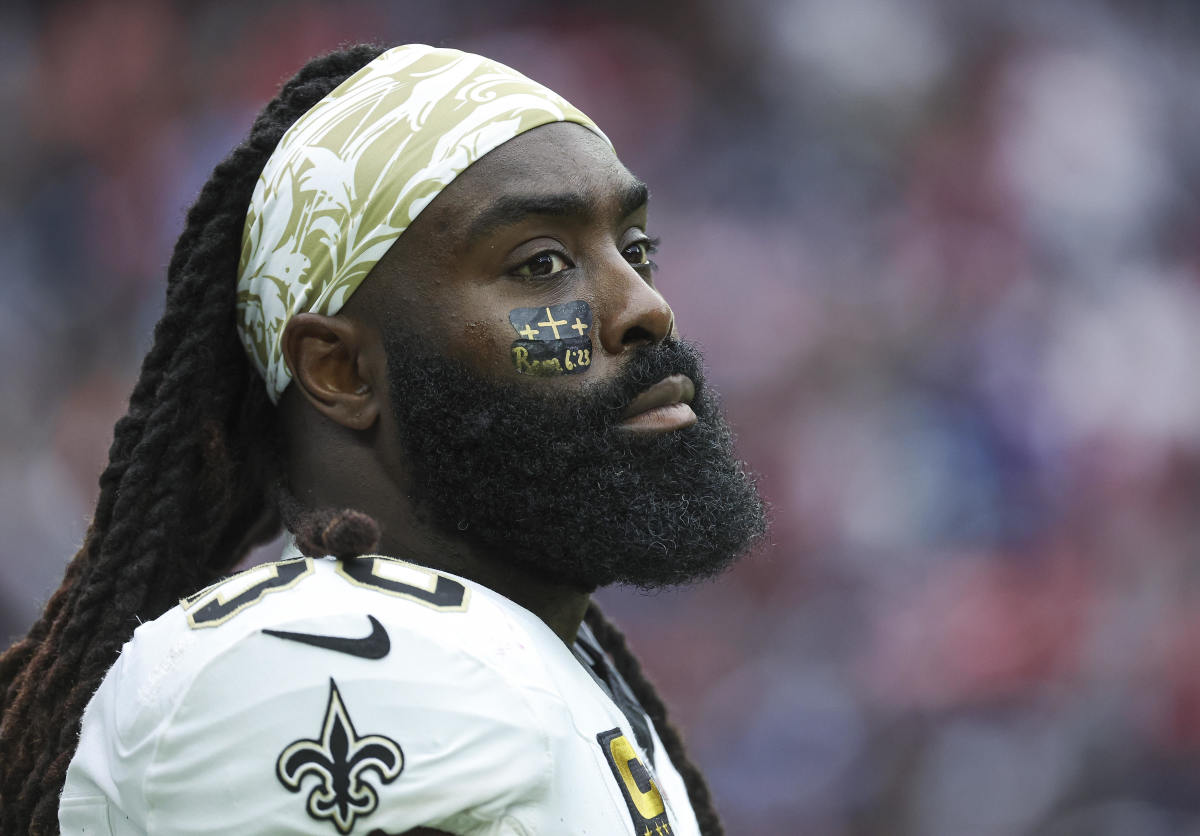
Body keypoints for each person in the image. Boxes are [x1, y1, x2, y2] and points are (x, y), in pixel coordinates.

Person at [0, 44, 766, 835]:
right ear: (341, 371)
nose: (648, 307)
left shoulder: (557, 665)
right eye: (542, 263)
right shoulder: (321, 662)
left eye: (637, 250)